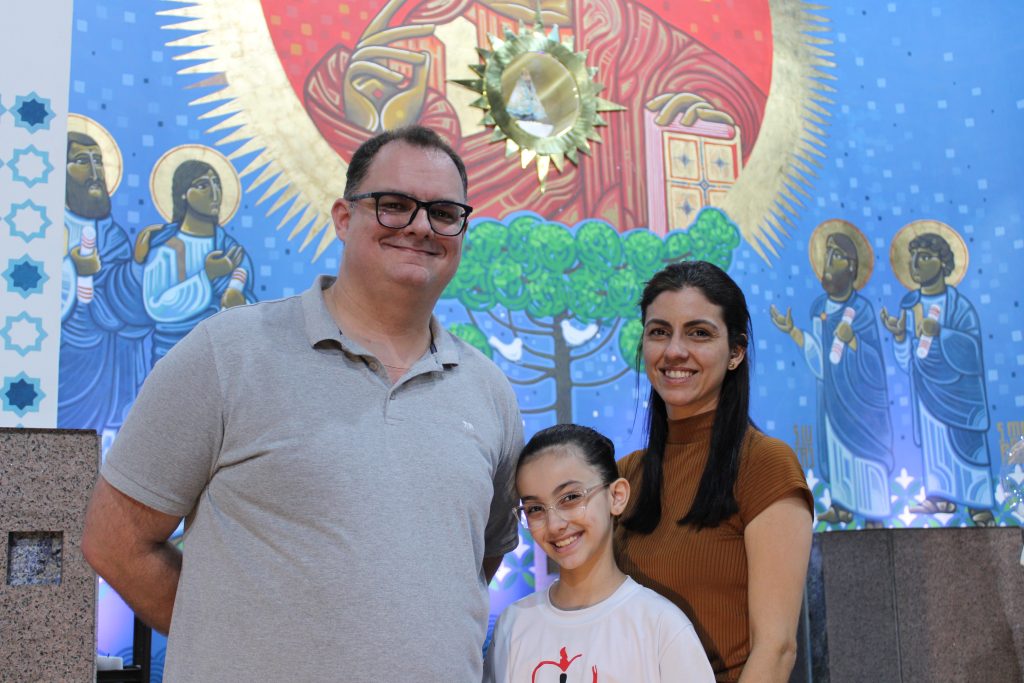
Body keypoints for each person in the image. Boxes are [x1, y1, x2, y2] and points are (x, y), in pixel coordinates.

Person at [81, 126, 523, 681]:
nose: (419, 226)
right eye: (393, 205)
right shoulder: (227, 354)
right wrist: (239, 645)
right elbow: (116, 542)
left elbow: (476, 562)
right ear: (343, 217)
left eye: (443, 213)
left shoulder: (489, 393)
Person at [614, 261, 813, 683]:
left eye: (699, 333)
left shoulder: (765, 464)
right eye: (659, 331)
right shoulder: (625, 477)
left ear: (736, 352)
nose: (674, 351)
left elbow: (777, 649)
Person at [484, 424, 714, 682]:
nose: (554, 524)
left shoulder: (660, 626)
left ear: (616, 496)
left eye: (570, 497)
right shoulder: (513, 625)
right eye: (535, 509)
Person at [770, 225, 894, 524]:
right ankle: (842, 506)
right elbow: (820, 360)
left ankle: (875, 513)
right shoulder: (819, 308)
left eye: (836, 256)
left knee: (863, 455)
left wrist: (853, 342)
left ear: (851, 266)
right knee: (839, 455)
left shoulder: (862, 310)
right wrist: (794, 332)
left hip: (861, 403)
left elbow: (874, 363)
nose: (827, 263)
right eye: (826, 255)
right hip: (833, 398)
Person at [880, 230, 994, 523]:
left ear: (943, 263)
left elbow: (972, 353)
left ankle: (978, 504)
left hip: (960, 396)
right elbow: (907, 362)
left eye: (925, 257)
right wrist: (900, 337)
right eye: (913, 257)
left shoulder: (959, 306)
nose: (916, 263)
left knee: (966, 448)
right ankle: (940, 498)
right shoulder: (910, 306)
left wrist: (941, 333)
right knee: (936, 448)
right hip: (927, 394)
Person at [59, 130, 152, 439]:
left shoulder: (113, 235)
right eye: (81, 161)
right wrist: (71, 269)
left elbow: (125, 307)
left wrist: (137, 266)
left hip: (107, 367)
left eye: (98, 161)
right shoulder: (48, 228)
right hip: (63, 367)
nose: (95, 171)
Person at [135, 158, 255, 363]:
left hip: (222, 359)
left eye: (216, 184)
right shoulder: (167, 247)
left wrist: (241, 303)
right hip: (172, 358)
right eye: (202, 185)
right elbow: (156, 305)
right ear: (183, 194)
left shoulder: (231, 249)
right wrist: (206, 276)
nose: (214, 193)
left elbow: (249, 303)